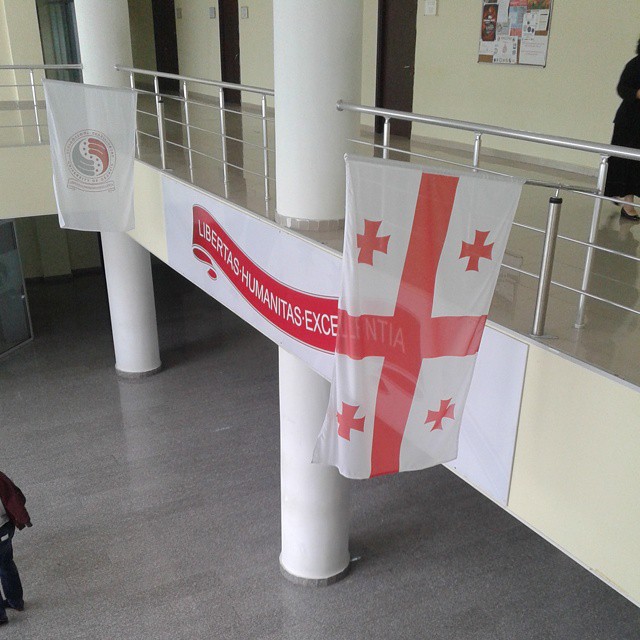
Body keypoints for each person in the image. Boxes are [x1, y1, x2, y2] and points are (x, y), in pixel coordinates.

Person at [605, 37, 640, 221]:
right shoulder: (635, 64)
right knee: (627, 163)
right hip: (629, 124)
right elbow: (622, 89)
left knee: (635, 166)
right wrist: (637, 93)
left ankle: (624, 200)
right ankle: (627, 204)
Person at [0, 471, 32, 626]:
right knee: (6, 563)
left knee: (5, 563)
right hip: (6, 528)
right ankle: (15, 600)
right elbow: (15, 495)